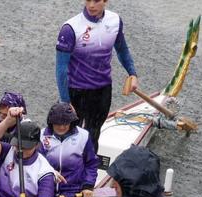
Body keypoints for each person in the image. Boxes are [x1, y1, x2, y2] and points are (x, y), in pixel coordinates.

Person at [55, 0, 139, 152]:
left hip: (102, 90)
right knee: (68, 136)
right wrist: (65, 101)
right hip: (76, 91)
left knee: (93, 135)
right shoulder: (70, 28)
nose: (91, 5)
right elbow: (61, 69)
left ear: (105, 1)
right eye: (88, 0)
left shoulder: (115, 21)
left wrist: (132, 73)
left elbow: (122, 50)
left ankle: (88, 174)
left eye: (96, 0)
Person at [40, 102, 100, 197]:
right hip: (46, 189)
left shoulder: (83, 136)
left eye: (65, 123)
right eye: (58, 124)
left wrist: (88, 185)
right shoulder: (41, 136)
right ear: (51, 122)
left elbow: (91, 163)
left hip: (72, 190)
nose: (62, 127)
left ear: (72, 122)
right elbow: (37, 163)